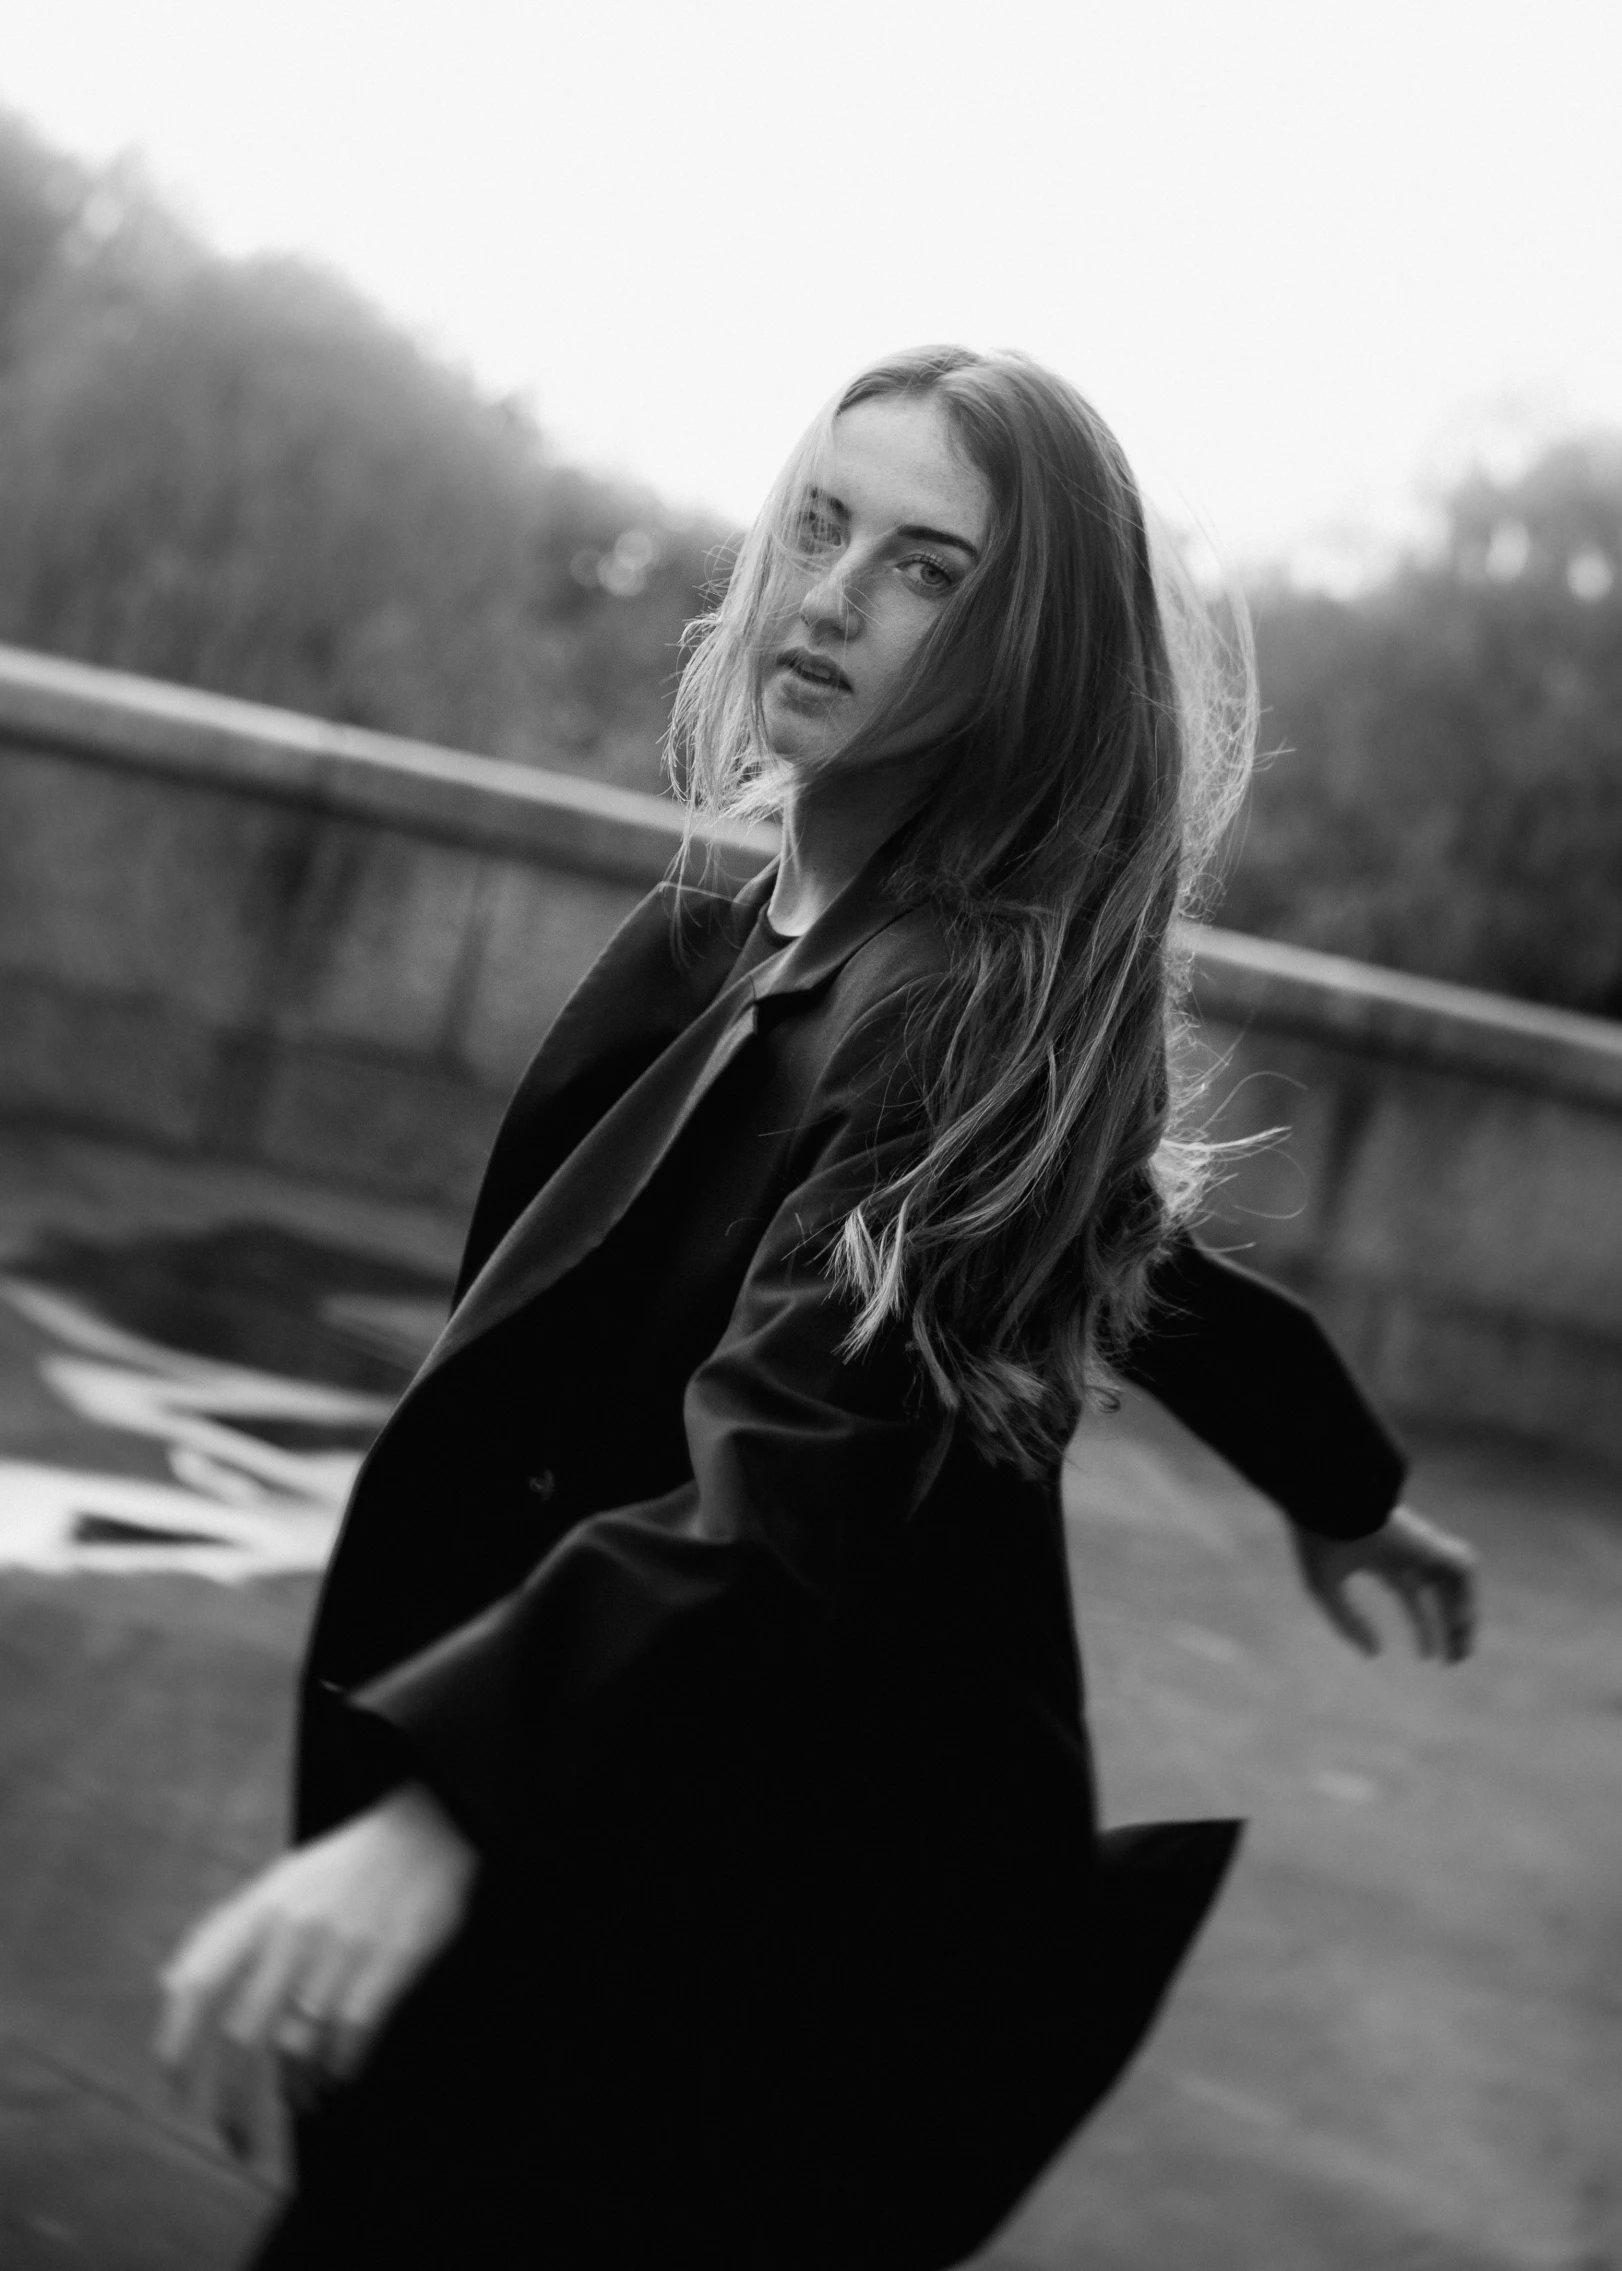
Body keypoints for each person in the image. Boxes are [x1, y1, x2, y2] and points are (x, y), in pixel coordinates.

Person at [156, 346, 1478, 2269]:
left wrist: (450, 1802)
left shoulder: (957, 996)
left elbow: (798, 1460)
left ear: (1030, 654)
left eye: (931, 567)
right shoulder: (733, 925)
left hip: (711, 1856)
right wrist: (1334, 1476)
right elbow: (1116, 1239)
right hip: (636, 1770)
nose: (834, 594)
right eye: (824, 522)